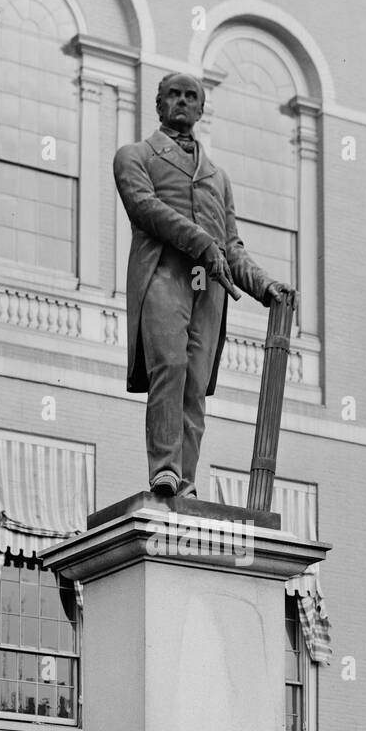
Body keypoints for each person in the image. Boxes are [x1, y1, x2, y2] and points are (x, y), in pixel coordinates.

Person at [113, 72, 296, 497]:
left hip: (209, 290)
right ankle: (165, 468)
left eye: (189, 96)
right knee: (170, 367)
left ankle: (187, 482)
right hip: (163, 274)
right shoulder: (135, 156)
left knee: (195, 385)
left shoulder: (218, 177)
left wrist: (266, 287)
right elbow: (144, 208)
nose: (181, 101)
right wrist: (199, 241)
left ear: (200, 109)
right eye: (172, 95)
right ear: (159, 105)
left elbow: (232, 246)